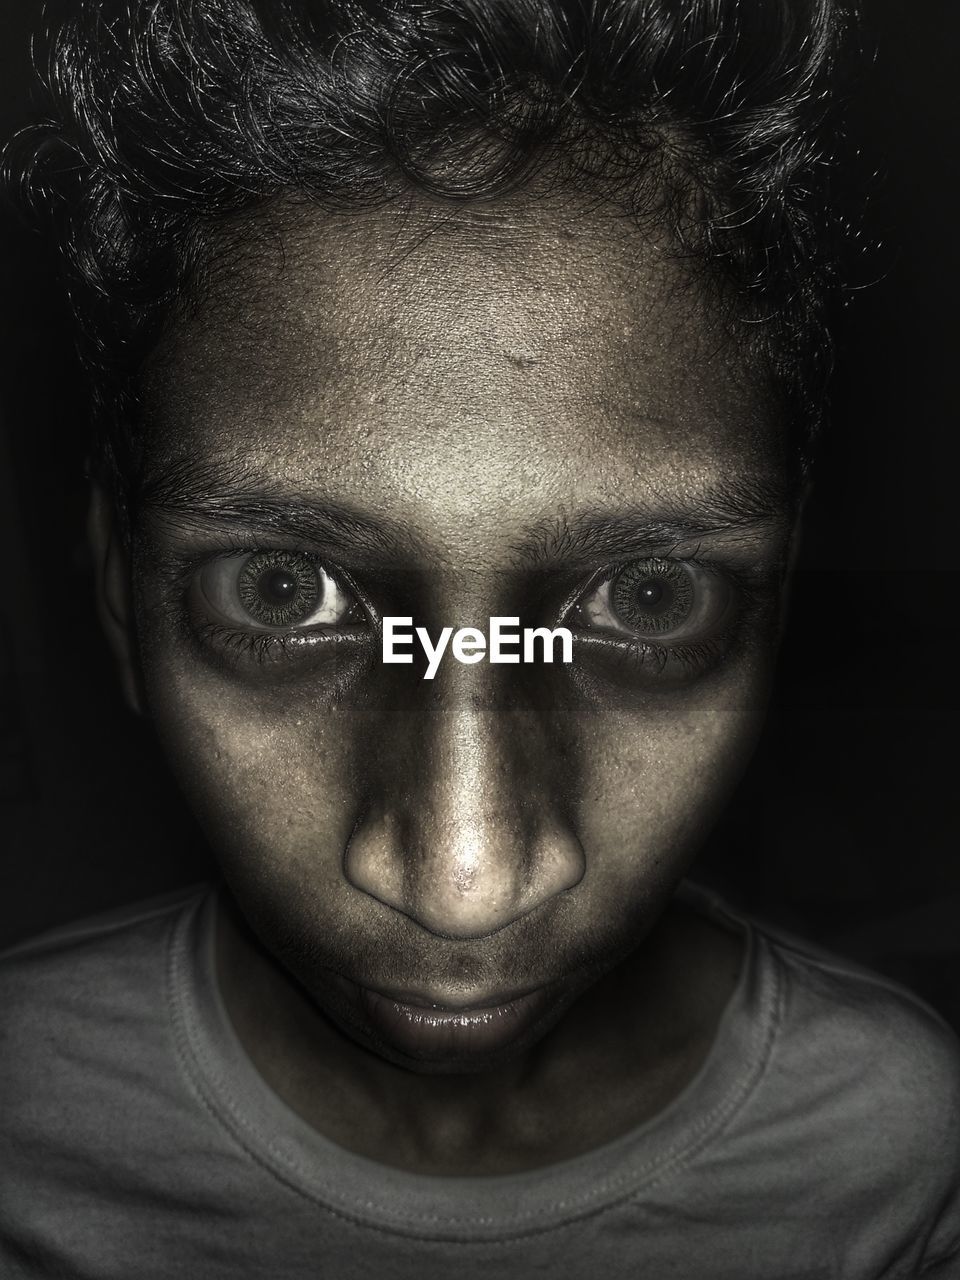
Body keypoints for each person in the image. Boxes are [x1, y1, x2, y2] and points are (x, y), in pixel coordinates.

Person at [1, 0, 958, 1276]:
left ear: (773, 611)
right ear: (126, 596)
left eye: (649, 598)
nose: (464, 878)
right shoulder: (20, 1114)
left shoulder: (886, 1147)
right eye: (285, 590)